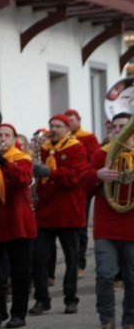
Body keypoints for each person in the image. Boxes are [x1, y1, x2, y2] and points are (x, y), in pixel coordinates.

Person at [82, 112, 134, 329]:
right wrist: (97, 174)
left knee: (132, 277)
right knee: (104, 274)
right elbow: (83, 184)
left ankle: (130, 322)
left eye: (123, 126)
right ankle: (106, 322)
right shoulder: (102, 154)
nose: (118, 131)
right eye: (114, 127)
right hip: (106, 227)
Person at [30, 114, 89, 315]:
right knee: (39, 257)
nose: (54, 129)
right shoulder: (44, 149)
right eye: (51, 126)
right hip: (45, 212)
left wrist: (50, 173)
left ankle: (70, 298)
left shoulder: (77, 147)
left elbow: (75, 176)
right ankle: (41, 299)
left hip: (68, 212)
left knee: (72, 258)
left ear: (67, 128)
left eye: (58, 126)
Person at [0, 124, 36, 329]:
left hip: (17, 221)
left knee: (20, 270)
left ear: (14, 139)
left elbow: (23, 179)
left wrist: (3, 162)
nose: (3, 138)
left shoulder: (22, 158)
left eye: (7, 135)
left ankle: (18, 313)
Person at [66, 109, 101, 277]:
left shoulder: (88, 137)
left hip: (82, 189)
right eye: (67, 122)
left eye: (72, 121)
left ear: (79, 121)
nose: (70, 124)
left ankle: (80, 264)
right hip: (66, 190)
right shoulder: (61, 140)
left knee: (81, 227)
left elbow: (94, 159)